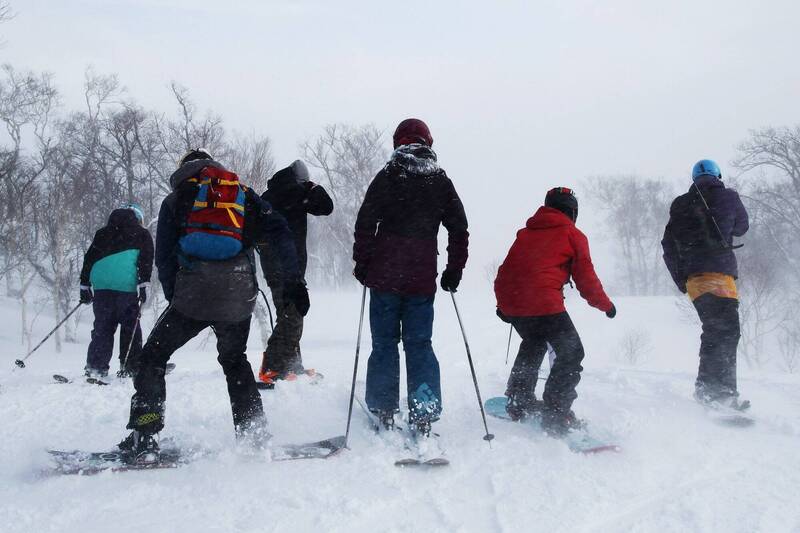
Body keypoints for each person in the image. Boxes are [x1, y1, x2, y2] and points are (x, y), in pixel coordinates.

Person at [119, 148, 307, 460]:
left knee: (152, 357)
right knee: (235, 361)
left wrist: (175, 296)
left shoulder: (177, 199)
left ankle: (145, 434)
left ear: (184, 169)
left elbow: (163, 258)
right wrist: (294, 279)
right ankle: (254, 436)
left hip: (191, 295)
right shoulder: (240, 194)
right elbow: (280, 229)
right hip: (238, 293)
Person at [353, 118, 469, 436]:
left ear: (397, 143)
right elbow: (459, 228)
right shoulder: (440, 181)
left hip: (384, 277)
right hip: (420, 281)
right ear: (428, 142)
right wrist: (453, 269)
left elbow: (365, 222)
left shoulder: (388, 176)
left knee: (384, 344)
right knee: (420, 345)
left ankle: (383, 406)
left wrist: (362, 263)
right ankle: (424, 412)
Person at [494, 187, 615, 436]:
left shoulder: (525, 234)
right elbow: (586, 279)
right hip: (544, 305)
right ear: (572, 211)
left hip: (515, 303)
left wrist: (503, 306)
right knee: (571, 353)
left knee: (534, 342)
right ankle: (556, 414)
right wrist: (606, 305)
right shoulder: (573, 235)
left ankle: (519, 400)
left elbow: (506, 271)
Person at [661, 159, 749, 410]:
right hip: (720, 276)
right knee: (727, 332)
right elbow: (742, 227)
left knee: (714, 330)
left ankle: (709, 390)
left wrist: (681, 279)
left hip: (694, 281)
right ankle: (720, 393)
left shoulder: (680, 204)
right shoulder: (729, 197)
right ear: (718, 175)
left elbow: (667, 245)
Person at [258, 160, 333, 386]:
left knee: (289, 314)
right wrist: (313, 188)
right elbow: (326, 206)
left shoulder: (269, 195)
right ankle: (271, 367)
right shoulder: (296, 193)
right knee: (292, 316)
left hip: (274, 265)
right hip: (288, 266)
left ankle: (291, 366)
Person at [79, 203, 153, 378]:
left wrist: (84, 285)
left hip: (101, 287)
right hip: (125, 288)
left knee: (103, 327)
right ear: (138, 219)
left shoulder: (102, 233)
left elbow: (89, 258)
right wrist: (144, 285)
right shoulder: (142, 234)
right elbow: (146, 260)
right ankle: (131, 366)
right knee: (131, 326)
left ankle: (96, 367)